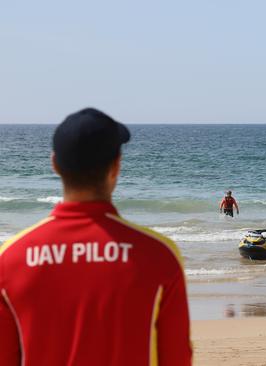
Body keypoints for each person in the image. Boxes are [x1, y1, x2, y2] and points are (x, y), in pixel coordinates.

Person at [0, 108, 192, 365]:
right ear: (116, 166)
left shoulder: (10, 260)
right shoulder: (159, 256)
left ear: (55, 164)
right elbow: (177, 358)